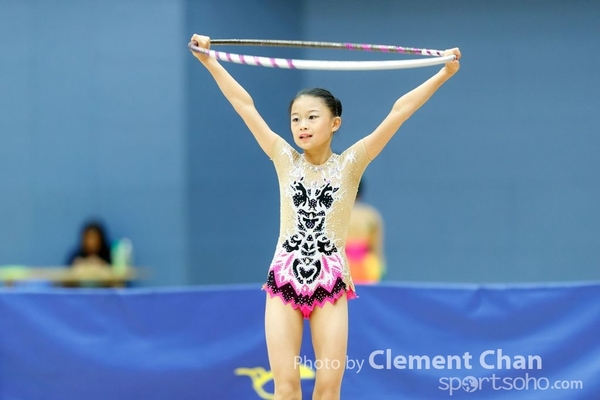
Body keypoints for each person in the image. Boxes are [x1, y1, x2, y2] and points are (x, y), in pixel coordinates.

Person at [190, 34, 460, 400]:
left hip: (330, 283)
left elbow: (399, 112)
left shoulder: (351, 164)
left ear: (335, 123)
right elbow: (244, 105)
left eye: (312, 117)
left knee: (328, 390)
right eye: (295, 119)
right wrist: (209, 61)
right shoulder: (283, 158)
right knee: (286, 390)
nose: (301, 125)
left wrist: (443, 73)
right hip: (284, 279)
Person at [345, 180, 386, 284]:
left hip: (342, 266)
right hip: (368, 267)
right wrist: (381, 267)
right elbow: (377, 249)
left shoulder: (335, 214)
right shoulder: (371, 215)